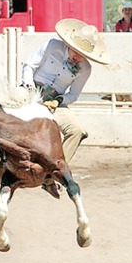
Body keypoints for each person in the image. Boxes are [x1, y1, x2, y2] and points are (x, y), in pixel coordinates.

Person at [21, 18, 111, 197]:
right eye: (76, 51)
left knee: (77, 131)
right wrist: (29, 89)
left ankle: (51, 174)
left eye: (82, 54)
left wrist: (58, 101)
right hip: (30, 91)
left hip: (55, 102)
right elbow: (29, 67)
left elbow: (74, 95)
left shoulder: (85, 68)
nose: (77, 56)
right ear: (69, 43)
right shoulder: (51, 45)